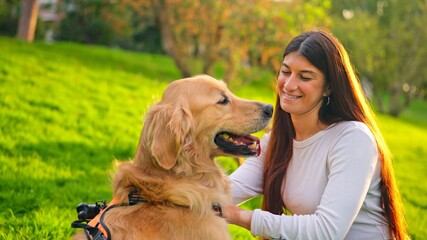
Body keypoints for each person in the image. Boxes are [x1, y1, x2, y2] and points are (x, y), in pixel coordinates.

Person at [222, 30, 408, 240]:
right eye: (286, 72)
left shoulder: (353, 139)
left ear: (329, 87)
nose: (289, 84)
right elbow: (225, 192)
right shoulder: (277, 141)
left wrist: (239, 216)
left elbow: (326, 231)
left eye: (305, 76)